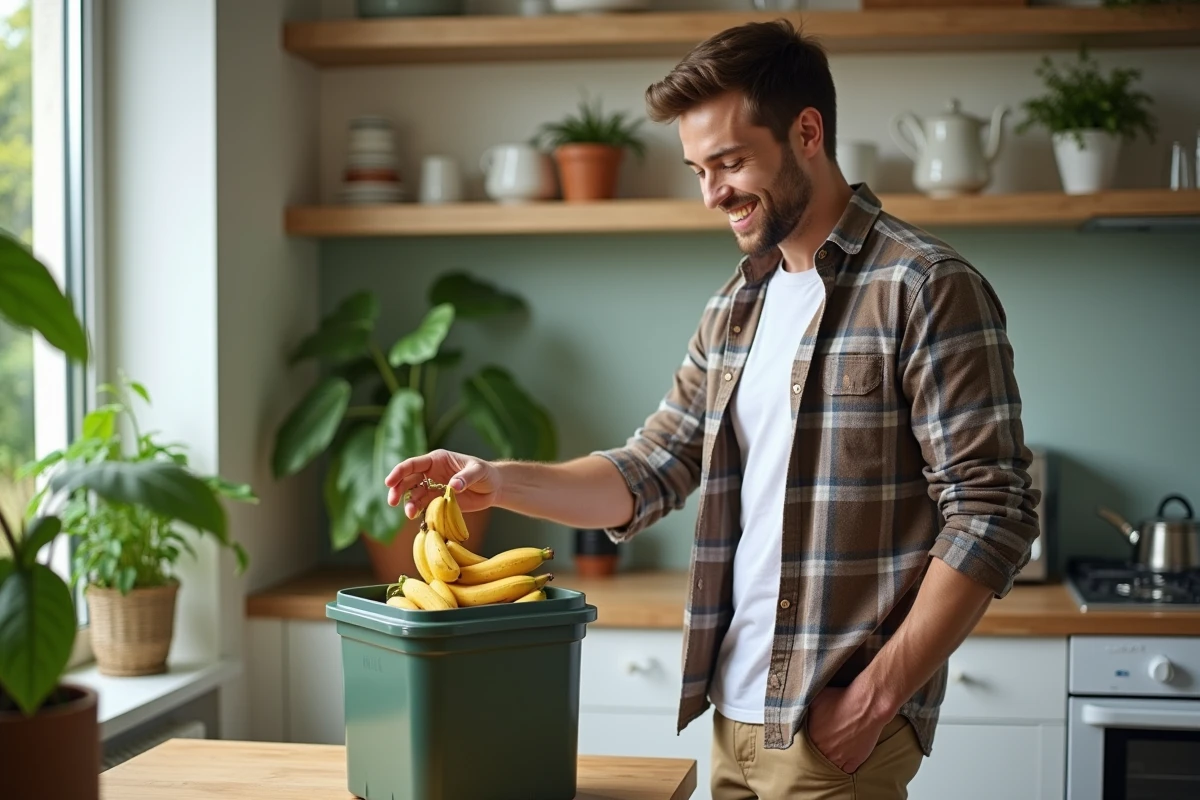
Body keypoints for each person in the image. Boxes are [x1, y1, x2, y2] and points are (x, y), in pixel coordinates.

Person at [385, 19, 1040, 800]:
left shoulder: (924, 286)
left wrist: (876, 696)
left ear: (807, 132)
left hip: (832, 728)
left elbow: (992, 510)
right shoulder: (738, 304)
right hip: (731, 718)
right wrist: (497, 479)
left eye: (729, 162)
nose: (712, 193)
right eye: (698, 169)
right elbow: (654, 465)